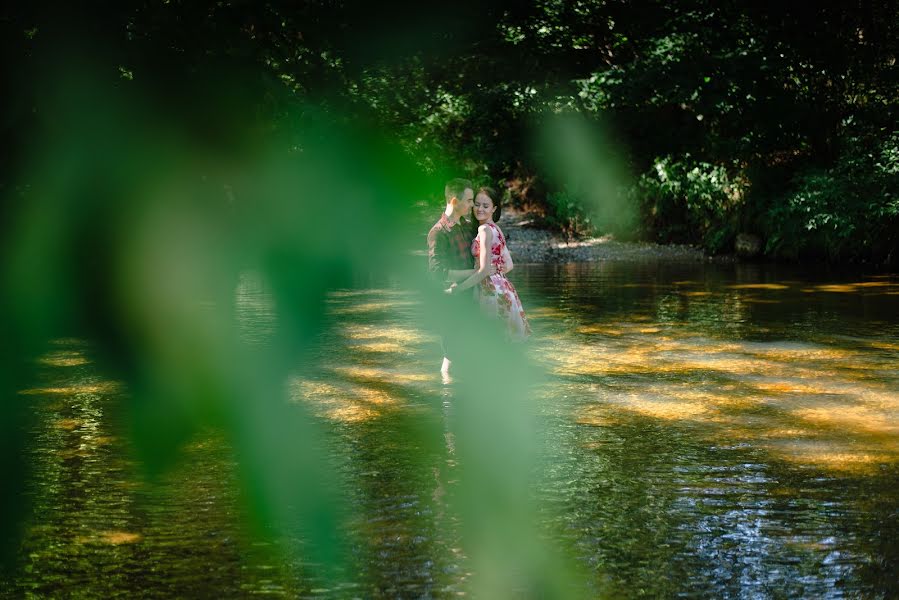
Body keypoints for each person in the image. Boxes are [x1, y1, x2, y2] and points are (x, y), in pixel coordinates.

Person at [446, 186, 531, 341]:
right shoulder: (496, 229)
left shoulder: (484, 230)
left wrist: (458, 289)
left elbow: (484, 270)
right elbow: (509, 265)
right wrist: (496, 270)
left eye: (486, 206)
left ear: (494, 209)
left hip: (489, 290)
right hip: (503, 288)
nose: (480, 209)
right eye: (477, 204)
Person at [428, 178, 480, 382]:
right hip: (451, 301)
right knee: (451, 354)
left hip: (472, 296)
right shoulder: (438, 232)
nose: (472, 205)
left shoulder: (468, 227)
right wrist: (474, 273)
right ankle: (447, 398)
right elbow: (437, 272)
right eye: (468, 200)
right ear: (453, 201)